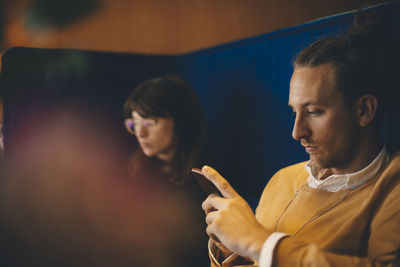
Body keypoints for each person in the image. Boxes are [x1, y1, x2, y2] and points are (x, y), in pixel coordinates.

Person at [201, 7, 400, 267]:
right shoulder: (282, 179)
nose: (297, 133)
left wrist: (258, 242)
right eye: (294, 111)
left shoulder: (392, 185)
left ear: (363, 110)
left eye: (314, 111)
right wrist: (232, 247)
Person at [123, 75, 210, 266]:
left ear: (179, 121)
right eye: (134, 124)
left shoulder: (203, 178)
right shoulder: (135, 168)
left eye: (149, 123)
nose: (140, 133)